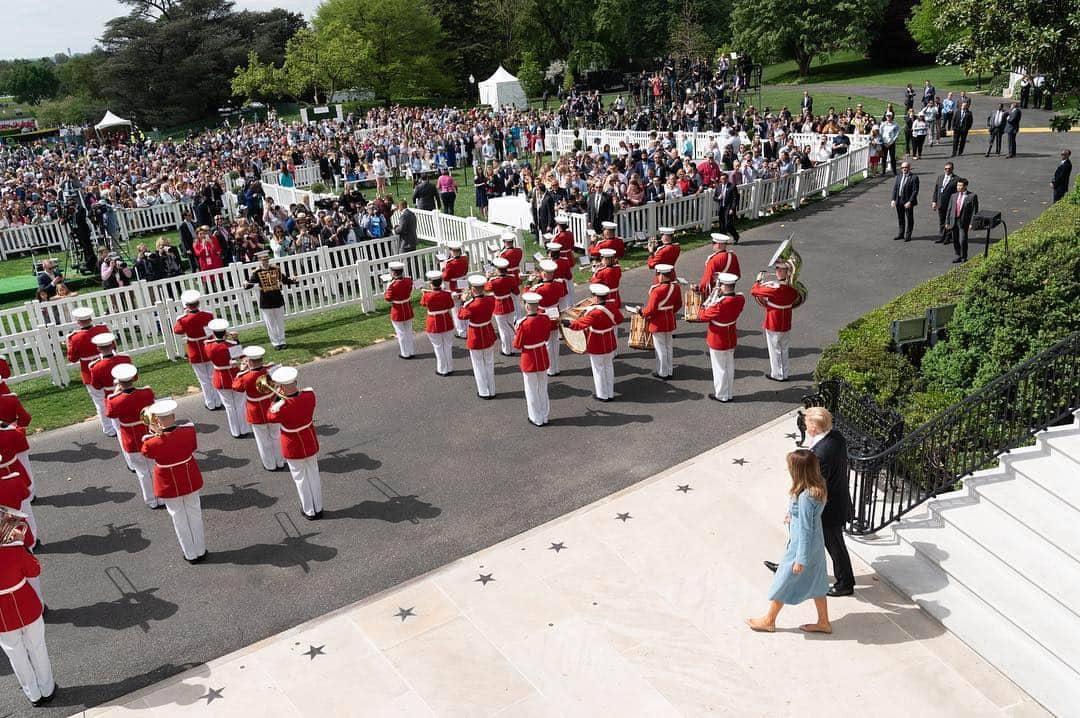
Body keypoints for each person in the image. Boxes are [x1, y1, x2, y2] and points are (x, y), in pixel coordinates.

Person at [746, 449, 831, 634]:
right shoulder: (817, 486)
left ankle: (769, 620)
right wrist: (792, 515)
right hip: (815, 544)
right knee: (817, 582)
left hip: (801, 546)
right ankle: (823, 622)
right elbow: (810, 518)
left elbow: (807, 529)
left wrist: (800, 559)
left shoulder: (806, 497)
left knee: (784, 580)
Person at [140, 399, 207, 563]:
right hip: (189, 476)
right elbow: (192, 447)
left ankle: (190, 553)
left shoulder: (150, 442)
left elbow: (146, 454)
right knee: (194, 512)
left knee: (178, 517)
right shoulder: (189, 431)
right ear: (174, 416)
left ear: (156, 420)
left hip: (167, 482)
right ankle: (200, 549)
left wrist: (153, 433)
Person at [0, 507, 55, 706]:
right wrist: (21, 546)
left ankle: (33, 694)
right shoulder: (12, 548)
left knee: (15, 654)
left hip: (2, 616)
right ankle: (47, 688)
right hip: (26, 604)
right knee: (37, 647)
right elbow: (34, 570)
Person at [266, 366, 323, 520]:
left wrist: (277, 399)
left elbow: (270, 417)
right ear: (296, 381)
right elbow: (305, 395)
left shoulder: (280, 407)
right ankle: (318, 507)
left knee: (300, 478)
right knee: (313, 474)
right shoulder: (309, 395)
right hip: (309, 439)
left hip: (292, 445)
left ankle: (309, 510)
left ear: (280, 387)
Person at [104, 363, 160, 509]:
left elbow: (110, 414)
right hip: (147, 433)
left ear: (118, 381)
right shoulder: (146, 393)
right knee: (153, 467)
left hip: (130, 439)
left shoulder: (114, 399)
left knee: (142, 472)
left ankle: (151, 500)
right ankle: (160, 497)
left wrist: (116, 392)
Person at [231, 346, 284, 472]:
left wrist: (240, 372)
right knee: (276, 436)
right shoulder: (270, 369)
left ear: (249, 361)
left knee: (263, 440)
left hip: (256, 411)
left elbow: (236, 387)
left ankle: (270, 464)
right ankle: (280, 462)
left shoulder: (244, 376)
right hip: (272, 406)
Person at [567, 284, 622, 401]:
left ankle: (602, 394)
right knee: (608, 366)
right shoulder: (611, 306)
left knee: (598, 369)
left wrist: (568, 324)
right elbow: (619, 319)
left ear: (596, 298)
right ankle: (610, 392)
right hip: (609, 339)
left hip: (596, 342)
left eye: (592, 296)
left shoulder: (594, 312)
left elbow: (580, 325)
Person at [66, 307, 115, 436]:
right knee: (115, 395)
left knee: (100, 402)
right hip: (108, 367)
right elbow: (113, 346)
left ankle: (109, 428)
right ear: (91, 319)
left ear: (78, 322)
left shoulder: (74, 337)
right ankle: (117, 423)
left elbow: (72, 358)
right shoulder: (102, 329)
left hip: (89, 371)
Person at [751, 260, 801, 382]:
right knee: (784, 349)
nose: (777, 271)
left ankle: (777, 374)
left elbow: (754, 291)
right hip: (786, 323)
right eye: (777, 269)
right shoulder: (793, 289)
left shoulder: (775, 289)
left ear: (787, 272)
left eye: (780, 269)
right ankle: (785, 373)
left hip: (773, 322)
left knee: (774, 350)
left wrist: (758, 280)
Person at [698, 273, 745, 402]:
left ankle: (721, 395)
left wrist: (703, 305)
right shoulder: (740, 299)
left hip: (718, 338)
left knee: (719, 368)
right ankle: (729, 393)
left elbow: (702, 316)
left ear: (723, 286)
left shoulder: (719, 304)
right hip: (731, 335)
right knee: (729, 366)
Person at [172, 290, 221, 410]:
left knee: (203, 380)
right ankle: (218, 401)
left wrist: (183, 315)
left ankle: (210, 402)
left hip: (194, 351)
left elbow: (177, 330)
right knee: (212, 376)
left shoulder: (183, 319)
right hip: (208, 348)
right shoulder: (208, 315)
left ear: (186, 305)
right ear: (198, 303)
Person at [203, 319, 249, 438]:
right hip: (234, 376)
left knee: (229, 407)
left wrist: (224, 336)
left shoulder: (208, 346)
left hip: (220, 378)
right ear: (224, 332)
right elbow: (240, 355)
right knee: (239, 404)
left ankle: (235, 432)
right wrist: (235, 339)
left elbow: (210, 342)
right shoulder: (231, 345)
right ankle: (243, 429)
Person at [513, 292, 553, 427]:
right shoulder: (545, 319)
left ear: (527, 307)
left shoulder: (523, 324)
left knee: (531, 390)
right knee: (542, 388)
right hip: (542, 356)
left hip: (529, 358)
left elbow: (517, 345)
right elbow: (546, 337)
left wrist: (516, 330)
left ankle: (536, 418)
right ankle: (545, 415)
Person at [243, 251, 296, 350]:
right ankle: (275, 342)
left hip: (277, 298)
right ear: (259, 261)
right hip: (266, 301)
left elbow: (284, 280)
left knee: (280, 322)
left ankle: (282, 340)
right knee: (270, 323)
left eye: (266, 260)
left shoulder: (275, 269)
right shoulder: (257, 272)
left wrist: (292, 279)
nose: (265, 262)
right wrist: (245, 284)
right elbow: (250, 285)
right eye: (263, 261)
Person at [459, 275, 497, 399]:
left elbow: (461, 316)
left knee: (478, 365)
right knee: (489, 363)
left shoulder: (470, 305)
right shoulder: (491, 300)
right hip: (488, 332)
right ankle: (492, 390)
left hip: (475, 335)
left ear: (473, 289)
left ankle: (483, 391)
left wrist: (463, 302)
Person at [641, 264, 681, 380]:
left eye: (658, 274)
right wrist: (670, 311)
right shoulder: (676, 287)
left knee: (660, 348)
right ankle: (669, 370)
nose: (657, 276)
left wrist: (641, 312)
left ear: (663, 276)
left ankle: (663, 372)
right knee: (668, 346)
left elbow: (651, 309)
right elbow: (678, 305)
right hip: (669, 319)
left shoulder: (656, 290)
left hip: (658, 321)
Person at [531, 260, 567, 377]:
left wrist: (530, 282)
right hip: (555, 313)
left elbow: (527, 297)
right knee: (555, 342)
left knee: (547, 343)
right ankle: (556, 367)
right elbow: (562, 297)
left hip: (543, 315)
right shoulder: (559, 284)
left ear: (544, 274)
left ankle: (550, 369)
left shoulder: (538, 288)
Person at [420, 270, 455, 376]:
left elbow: (423, 304)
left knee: (438, 347)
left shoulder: (427, 295)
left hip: (433, 323)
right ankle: (449, 367)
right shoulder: (447, 294)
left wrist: (424, 294)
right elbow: (451, 305)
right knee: (448, 346)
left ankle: (442, 369)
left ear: (430, 283)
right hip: (446, 321)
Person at [486, 258, 519, 356]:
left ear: (497, 269)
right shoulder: (511, 278)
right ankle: (513, 348)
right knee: (510, 327)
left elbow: (486, 289)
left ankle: (506, 350)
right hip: (509, 304)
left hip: (499, 305)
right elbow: (516, 292)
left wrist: (488, 278)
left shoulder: (493, 281)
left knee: (503, 329)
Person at [383, 262, 415, 359]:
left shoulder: (392, 285)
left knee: (401, 333)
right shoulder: (408, 280)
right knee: (408, 331)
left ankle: (405, 353)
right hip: (407, 308)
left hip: (397, 310)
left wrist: (387, 287)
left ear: (393, 273)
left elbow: (388, 298)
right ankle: (411, 351)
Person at [945, 177, 979, 264]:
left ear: (965, 186)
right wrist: (947, 222)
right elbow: (949, 209)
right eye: (958, 185)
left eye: (960, 185)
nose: (958, 187)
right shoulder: (954, 196)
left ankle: (964, 256)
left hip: (964, 221)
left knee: (963, 240)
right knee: (955, 240)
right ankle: (958, 255)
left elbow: (974, 211)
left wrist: (972, 223)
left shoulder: (972, 196)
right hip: (954, 221)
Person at [441, 241, 469, 339]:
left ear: (452, 251)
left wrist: (443, 267)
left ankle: (462, 331)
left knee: (456, 310)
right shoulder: (465, 259)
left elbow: (445, 277)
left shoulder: (450, 263)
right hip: (464, 284)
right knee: (465, 306)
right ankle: (468, 328)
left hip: (455, 287)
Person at [890, 161, 919, 241]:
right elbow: (895, 188)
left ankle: (908, 235)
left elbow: (915, 191)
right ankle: (901, 234)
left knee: (909, 219)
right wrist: (893, 199)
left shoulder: (914, 177)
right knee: (901, 218)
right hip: (899, 201)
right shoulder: (899, 176)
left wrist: (910, 201)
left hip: (908, 202)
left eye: (906, 167)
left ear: (909, 168)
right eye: (902, 168)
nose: (904, 169)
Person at [931, 161, 958, 245]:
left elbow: (957, 193)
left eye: (949, 169)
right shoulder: (940, 177)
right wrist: (934, 201)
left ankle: (948, 238)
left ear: (952, 169)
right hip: (940, 203)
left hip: (950, 204)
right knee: (942, 221)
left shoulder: (957, 179)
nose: (947, 170)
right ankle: (941, 236)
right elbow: (936, 190)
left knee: (949, 221)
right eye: (946, 169)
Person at [713, 172, 740, 243]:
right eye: (722, 179)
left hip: (729, 208)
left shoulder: (732, 186)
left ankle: (735, 236)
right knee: (722, 225)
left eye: (725, 179)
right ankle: (723, 240)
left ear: (727, 179)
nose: (723, 180)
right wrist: (718, 198)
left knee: (728, 224)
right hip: (721, 207)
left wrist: (732, 208)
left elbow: (735, 199)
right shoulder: (718, 187)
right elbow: (714, 198)